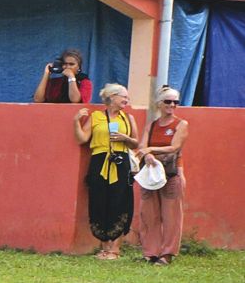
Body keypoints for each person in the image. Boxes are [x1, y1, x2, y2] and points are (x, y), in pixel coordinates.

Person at [74, 83, 139, 259]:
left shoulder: (128, 118)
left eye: (127, 97)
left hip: (120, 161)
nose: (126, 100)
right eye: (123, 96)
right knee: (99, 201)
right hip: (100, 160)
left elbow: (136, 143)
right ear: (111, 98)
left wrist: (125, 138)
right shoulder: (96, 117)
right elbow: (82, 139)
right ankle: (104, 247)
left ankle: (115, 249)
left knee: (120, 202)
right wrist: (76, 121)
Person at [134, 87, 188, 265]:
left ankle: (168, 253)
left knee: (171, 214)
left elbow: (174, 147)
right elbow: (142, 145)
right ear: (159, 103)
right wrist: (147, 154)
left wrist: (150, 150)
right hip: (151, 173)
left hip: (171, 173)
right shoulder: (152, 125)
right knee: (149, 213)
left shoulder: (181, 124)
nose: (172, 105)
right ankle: (151, 252)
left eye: (175, 102)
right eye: (168, 101)